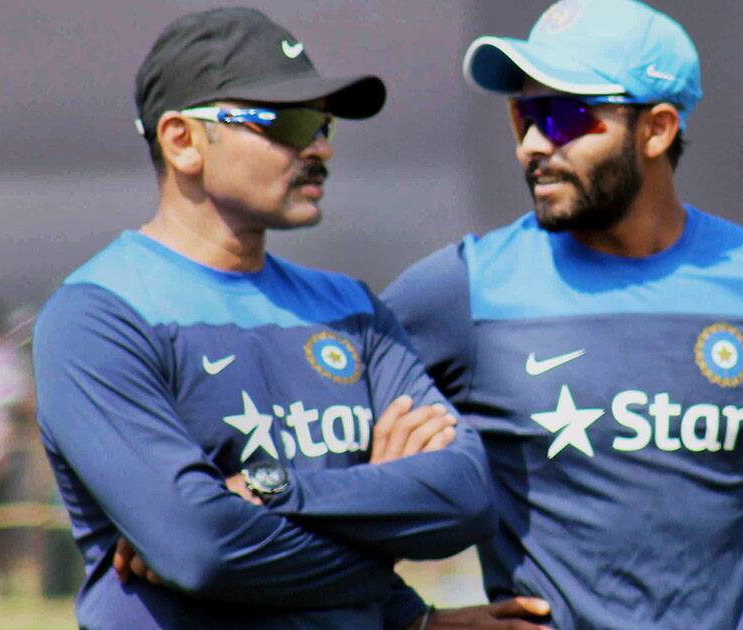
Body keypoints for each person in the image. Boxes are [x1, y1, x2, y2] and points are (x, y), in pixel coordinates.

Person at [382, 1, 743, 628]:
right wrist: (417, 621)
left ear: (657, 129)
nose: (532, 144)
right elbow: (315, 471)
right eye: (522, 114)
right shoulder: (461, 290)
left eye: (562, 116)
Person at [33, 8, 550, 629]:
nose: (322, 145)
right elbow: (205, 549)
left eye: (324, 122)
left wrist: (275, 491)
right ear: (182, 140)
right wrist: (384, 532)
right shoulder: (98, 316)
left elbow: (464, 495)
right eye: (290, 121)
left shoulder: (352, 309)